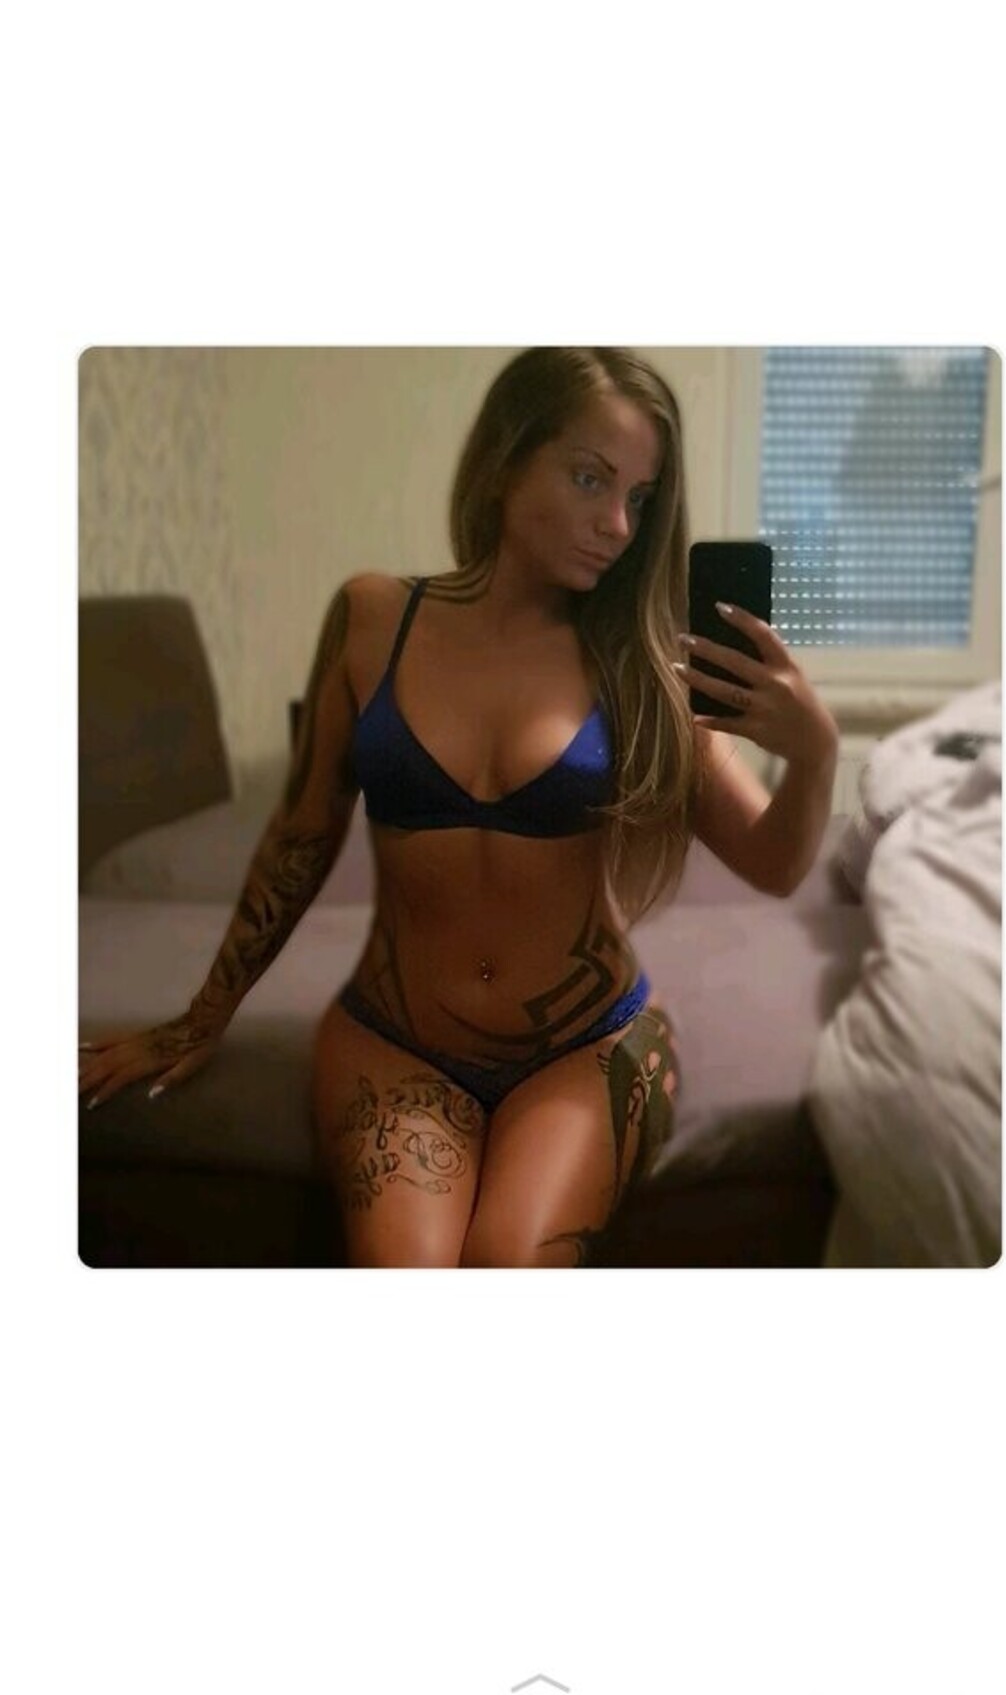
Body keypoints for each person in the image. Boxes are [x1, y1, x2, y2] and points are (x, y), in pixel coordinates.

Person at [78, 347, 839, 1267]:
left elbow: (775, 861)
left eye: (640, 499)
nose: (616, 524)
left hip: (587, 1042)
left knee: (506, 1267)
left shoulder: (641, 664)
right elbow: (301, 834)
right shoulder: (372, 619)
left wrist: (815, 753)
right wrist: (200, 1018)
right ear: (507, 456)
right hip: (397, 1041)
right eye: (590, 478)